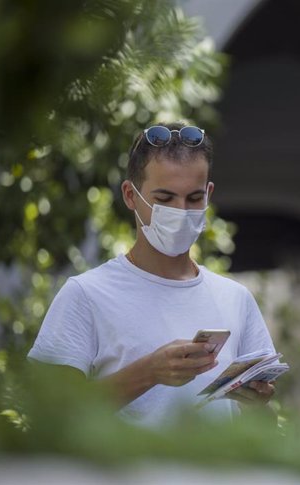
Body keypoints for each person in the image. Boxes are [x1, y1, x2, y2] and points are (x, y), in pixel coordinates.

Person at [28, 122, 276, 427]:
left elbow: (263, 426)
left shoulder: (236, 299)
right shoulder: (86, 294)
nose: (181, 211)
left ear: (209, 194)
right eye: (165, 198)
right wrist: (148, 372)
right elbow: (47, 416)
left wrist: (257, 404)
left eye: (194, 198)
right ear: (131, 195)